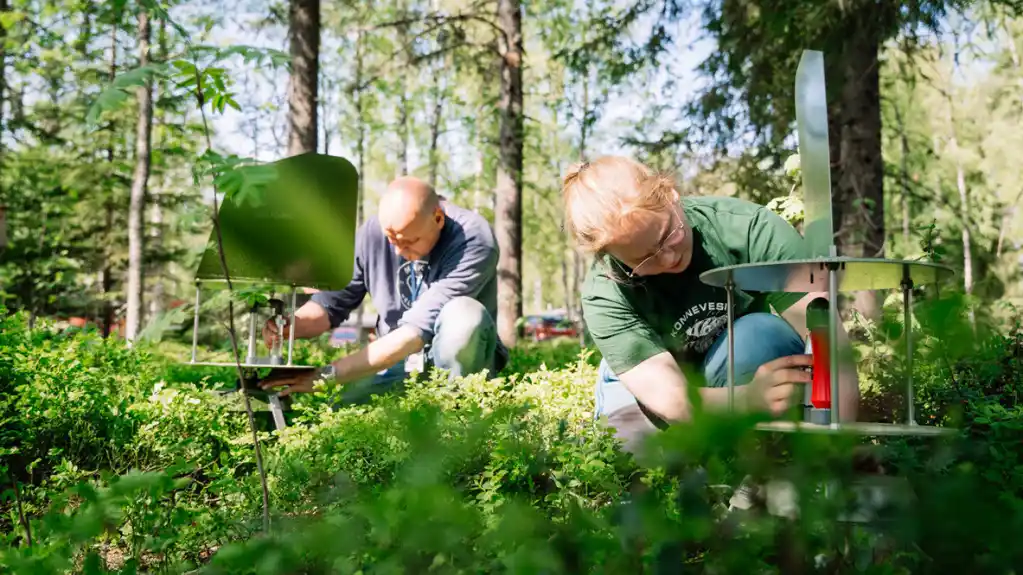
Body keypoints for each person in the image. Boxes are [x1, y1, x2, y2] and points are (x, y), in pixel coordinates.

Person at [561, 155, 859, 454]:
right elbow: (668, 396)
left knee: (761, 333)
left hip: (735, 359)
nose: (668, 258)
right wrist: (745, 400)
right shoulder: (606, 293)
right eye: (643, 260)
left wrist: (841, 446)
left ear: (672, 195)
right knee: (639, 461)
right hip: (651, 384)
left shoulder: (749, 229)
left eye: (669, 235)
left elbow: (826, 339)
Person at [260, 176, 507, 403]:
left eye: (409, 241)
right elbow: (330, 304)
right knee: (342, 414)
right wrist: (292, 325)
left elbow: (413, 334)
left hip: (452, 358)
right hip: (399, 363)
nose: (398, 251)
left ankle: (458, 416)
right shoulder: (373, 233)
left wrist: (326, 375)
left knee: (463, 315)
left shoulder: (473, 239)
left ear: (438, 219)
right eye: (392, 240)